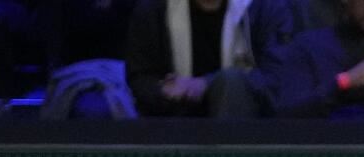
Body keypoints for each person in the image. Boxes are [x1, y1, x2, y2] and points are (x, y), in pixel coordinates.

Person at [125, 0, 293, 118]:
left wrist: (207, 84)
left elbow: (278, 80)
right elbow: (140, 77)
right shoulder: (153, 8)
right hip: (173, 120)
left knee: (231, 81)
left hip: (246, 126)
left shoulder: (266, 8)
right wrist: (164, 89)